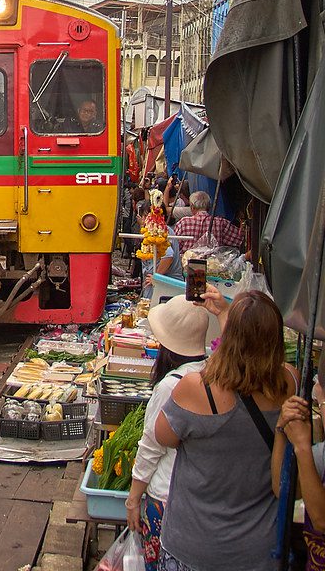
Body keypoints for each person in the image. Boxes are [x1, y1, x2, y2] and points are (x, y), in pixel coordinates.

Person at [155, 291, 297, 571]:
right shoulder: (288, 383)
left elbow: (164, 437)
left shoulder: (196, 389)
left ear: (229, 338)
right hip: (258, 551)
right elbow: (251, 364)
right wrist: (225, 314)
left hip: (194, 546)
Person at [127, 296, 215, 571]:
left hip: (167, 498)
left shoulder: (170, 387)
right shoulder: (214, 373)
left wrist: (133, 498)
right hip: (202, 500)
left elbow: (151, 447)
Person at [273, 380, 325, 569]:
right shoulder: (322, 454)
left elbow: (322, 520)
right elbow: (283, 489)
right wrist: (282, 429)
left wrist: (302, 447)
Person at [172, 191, 245, 255]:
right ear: (209, 207)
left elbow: (174, 248)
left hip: (187, 266)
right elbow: (239, 240)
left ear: (192, 207)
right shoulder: (221, 223)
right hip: (214, 267)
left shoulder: (183, 223)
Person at [138, 200, 183, 299]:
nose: (144, 220)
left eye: (147, 216)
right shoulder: (151, 232)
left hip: (167, 289)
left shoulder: (162, 232)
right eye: (144, 216)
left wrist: (156, 277)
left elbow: (168, 255)